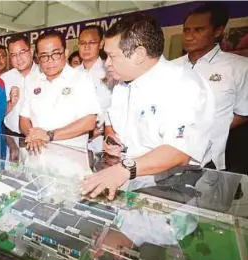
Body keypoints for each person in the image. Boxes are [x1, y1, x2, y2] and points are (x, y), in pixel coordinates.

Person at [81, 13, 215, 200]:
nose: (107, 63)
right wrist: (112, 140)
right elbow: (113, 124)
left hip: (173, 188)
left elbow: (178, 151)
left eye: (112, 56)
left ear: (139, 55)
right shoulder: (122, 83)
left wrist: (123, 170)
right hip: (132, 179)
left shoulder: (183, 85)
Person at [172, 2, 248, 171]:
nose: (189, 37)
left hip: (212, 160)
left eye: (198, 30)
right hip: (169, 154)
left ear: (218, 31)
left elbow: (244, 113)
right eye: (186, 30)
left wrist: (211, 130)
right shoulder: (171, 67)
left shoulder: (239, 67)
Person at [20, 30, 101, 152]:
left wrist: (49, 135)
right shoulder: (32, 81)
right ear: (37, 58)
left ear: (66, 53)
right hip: (37, 157)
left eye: (55, 54)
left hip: (71, 160)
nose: (50, 60)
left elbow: (89, 122)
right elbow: (24, 119)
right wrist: (32, 135)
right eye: (44, 56)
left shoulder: (81, 78)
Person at [77, 25, 112, 154]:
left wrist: (100, 130)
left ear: (101, 44)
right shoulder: (71, 74)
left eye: (92, 42)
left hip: (102, 140)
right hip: (76, 139)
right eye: (82, 43)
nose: (86, 47)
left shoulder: (110, 71)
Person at [1, 34, 40, 137]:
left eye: (22, 52)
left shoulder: (44, 75)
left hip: (39, 137)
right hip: (10, 136)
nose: (18, 58)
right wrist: (10, 103)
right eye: (13, 55)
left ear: (31, 51)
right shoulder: (4, 79)